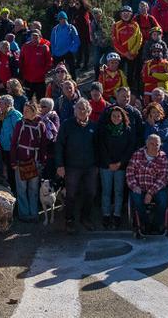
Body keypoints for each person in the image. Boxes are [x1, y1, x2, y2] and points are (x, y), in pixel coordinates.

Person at [56, 98, 98, 234]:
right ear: (74, 110)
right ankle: (69, 220)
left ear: (89, 111)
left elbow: (99, 146)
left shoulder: (93, 126)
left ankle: (85, 217)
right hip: (72, 166)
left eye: (84, 109)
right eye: (79, 108)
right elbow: (59, 146)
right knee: (71, 194)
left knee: (91, 193)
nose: (81, 111)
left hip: (90, 166)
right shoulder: (67, 125)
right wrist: (60, 165)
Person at [97, 106, 135, 230]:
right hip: (106, 165)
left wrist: (120, 163)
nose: (116, 118)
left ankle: (117, 215)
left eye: (119, 116)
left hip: (121, 166)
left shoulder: (127, 130)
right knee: (106, 192)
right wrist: (109, 163)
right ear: (110, 117)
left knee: (119, 192)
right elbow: (101, 148)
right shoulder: (104, 130)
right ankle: (106, 215)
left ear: (123, 117)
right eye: (114, 116)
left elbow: (130, 148)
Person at [10, 102, 48, 222]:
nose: (24, 112)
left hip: (34, 162)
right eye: (24, 110)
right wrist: (13, 162)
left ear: (34, 111)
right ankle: (24, 214)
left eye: (27, 110)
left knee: (33, 189)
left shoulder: (40, 125)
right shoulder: (20, 124)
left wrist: (42, 161)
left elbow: (43, 145)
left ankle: (33, 213)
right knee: (21, 189)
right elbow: (14, 143)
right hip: (21, 162)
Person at [126, 134, 168, 238]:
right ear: (146, 144)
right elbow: (129, 173)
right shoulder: (137, 154)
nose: (154, 146)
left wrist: (150, 192)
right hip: (139, 186)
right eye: (152, 144)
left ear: (160, 145)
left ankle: (156, 225)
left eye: (157, 144)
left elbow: (163, 178)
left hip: (156, 188)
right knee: (136, 199)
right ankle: (145, 224)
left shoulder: (163, 157)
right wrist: (134, 186)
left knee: (163, 200)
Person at [112, 6, 143, 85]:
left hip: (133, 54)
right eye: (124, 13)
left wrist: (133, 51)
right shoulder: (116, 25)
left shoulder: (135, 24)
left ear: (131, 14)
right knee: (119, 72)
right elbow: (115, 41)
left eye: (128, 13)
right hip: (121, 54)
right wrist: (125, 53)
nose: (126, 15)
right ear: (120, 15)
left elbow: (139, 39)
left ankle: (130, 88)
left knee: (131, 72)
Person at [50, 11, 81, 80]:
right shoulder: (55, 29)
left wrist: (72, 50)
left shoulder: (71, 27)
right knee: (58, 71)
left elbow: (77, 40)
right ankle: (59, 86)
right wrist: (53, 52)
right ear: (58, 20)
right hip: (57, 53)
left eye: (64, 18)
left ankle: (73, 84)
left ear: (66, 19)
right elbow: (52, 42)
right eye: (60, 19)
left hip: (68, 52)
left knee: (71, 69)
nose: (62, 20)